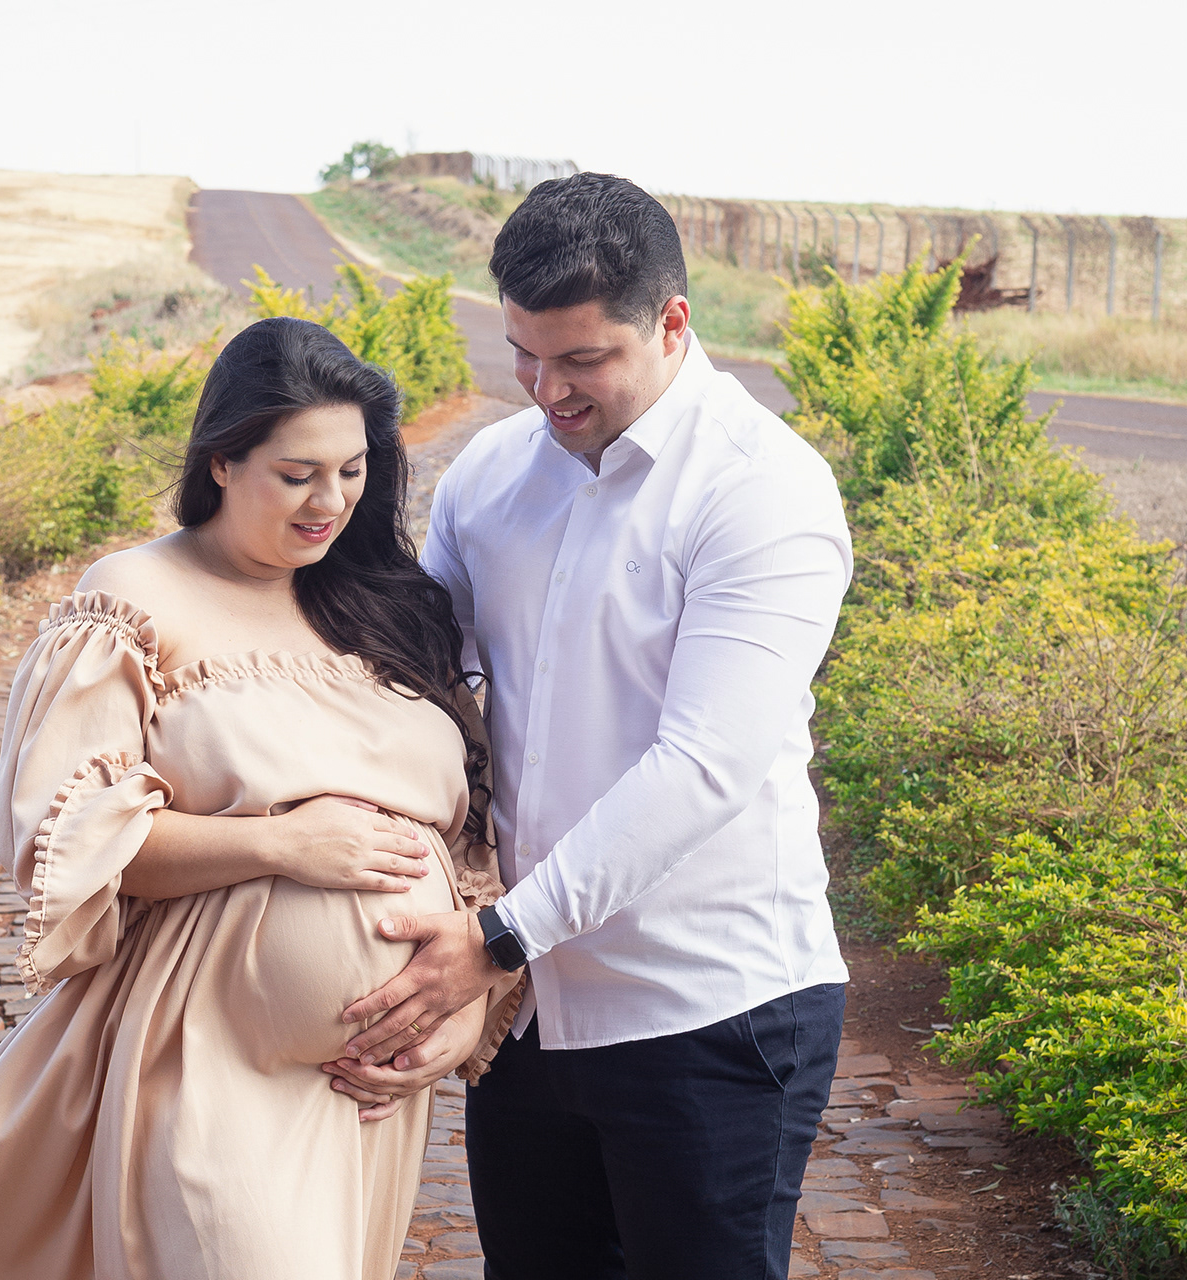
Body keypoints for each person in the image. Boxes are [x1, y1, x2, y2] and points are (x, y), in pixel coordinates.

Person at [0, 317, 524, 1280]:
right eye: (296, 474)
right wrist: (279, 846)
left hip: (370, 1092)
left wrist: (463, 1003)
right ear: (221, 460)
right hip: (202, 1058)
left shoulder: (388, 605)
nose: (329, 501)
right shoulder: (133, 599)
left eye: (351, 470)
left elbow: (469, 849)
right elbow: (66, 840)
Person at [332, 173, 853, 1278]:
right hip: (526, 1016)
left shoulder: (764, 491)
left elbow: (704, 765)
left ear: (672, 322)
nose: (546, 390)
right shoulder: (491, 473)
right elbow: (414, 679)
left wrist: (498, 935)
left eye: (582, 359)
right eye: (523, 354)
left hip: (709, 1007)